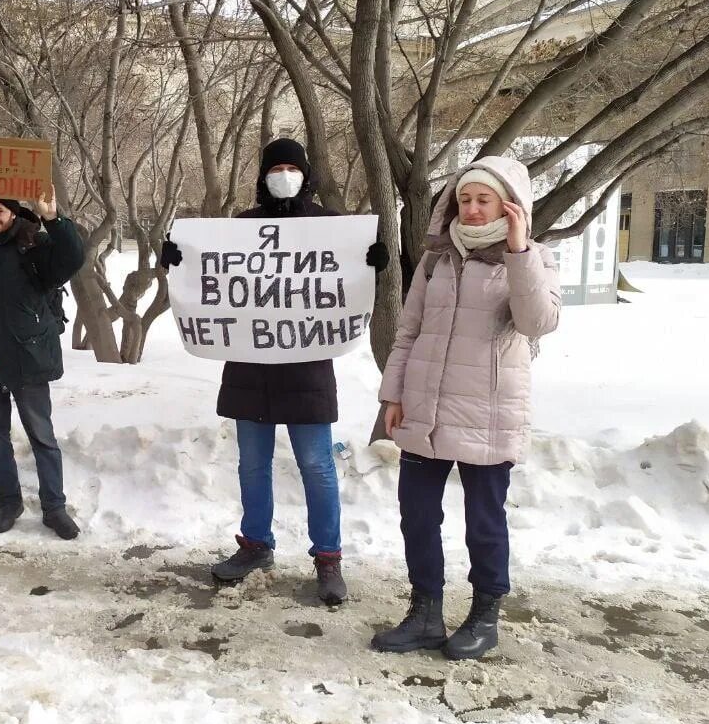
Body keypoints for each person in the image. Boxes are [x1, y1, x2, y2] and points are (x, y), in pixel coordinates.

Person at [160, 138, 388, 606]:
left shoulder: (330, 227)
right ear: (263, 175)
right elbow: (211, 278)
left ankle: (328, 558)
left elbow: (354, 279)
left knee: (318, 467)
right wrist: (179, 263)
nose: (284, 175)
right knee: (252, 464)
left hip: (307, 366)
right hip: (250, 367)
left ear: (306, 173)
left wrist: (376, 264)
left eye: (292, 167)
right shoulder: (241, 229)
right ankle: (256, 545)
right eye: (275, 167)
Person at [371, 157, 561, 661]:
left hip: (488, 410)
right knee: (416, 514)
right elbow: (408, 331)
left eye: (484, 200)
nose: (472, 210)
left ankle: (485, 616)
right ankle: (425, 613)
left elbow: (537, 321)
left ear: (509, 204)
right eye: (464, 200)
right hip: (426, 407)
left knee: (483, 519)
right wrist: (393, 395)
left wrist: (518, 251)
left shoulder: (536, 259)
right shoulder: (437, 259)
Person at [0, 191, 86, 539]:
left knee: (42, 436)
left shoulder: (33, 244)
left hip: (28, 357)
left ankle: (54, 507)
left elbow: (72, 258)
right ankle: (8, 502)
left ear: (12, 213)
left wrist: (54, 219)